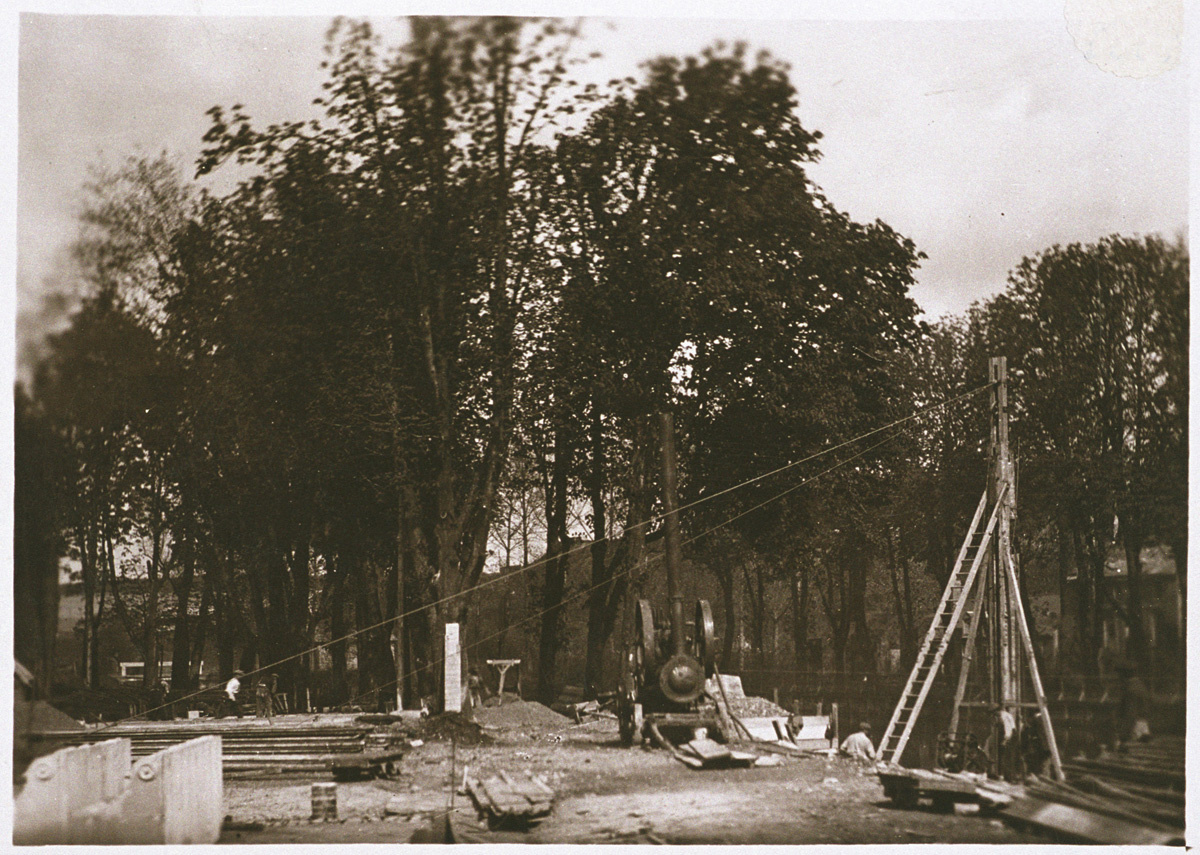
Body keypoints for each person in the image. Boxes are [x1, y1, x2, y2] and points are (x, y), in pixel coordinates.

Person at [993, 704, 1018, 781]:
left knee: (1004, 757)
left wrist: (1005, 740)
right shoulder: (1007, 715)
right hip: (1010, 736)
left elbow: (1008, 729)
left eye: (994, 713)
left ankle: (1004, 776)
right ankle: (1007, 776)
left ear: (998, 711)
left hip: (1008, 738)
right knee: (1007, 757)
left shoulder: (1003, 716)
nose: (994, 715)